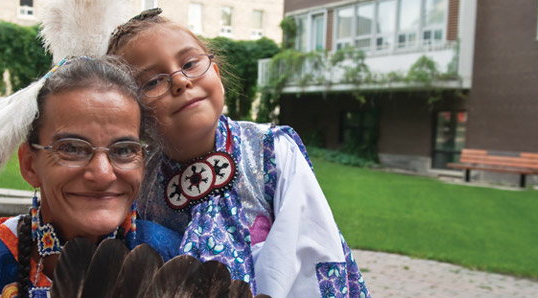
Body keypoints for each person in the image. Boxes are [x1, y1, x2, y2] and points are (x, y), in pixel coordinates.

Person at [107, 8, 371, 298]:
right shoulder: (141, 183)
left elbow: (313, 252)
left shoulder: (270, 151)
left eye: (190, 63)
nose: (180, 81)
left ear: (216, 74)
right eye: (153, 81)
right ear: (132, 110)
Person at [0, 57, 156, 298]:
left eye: (124, 150)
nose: (102, 173)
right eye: (72, 149)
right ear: (30, 165)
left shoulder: (174, 255)